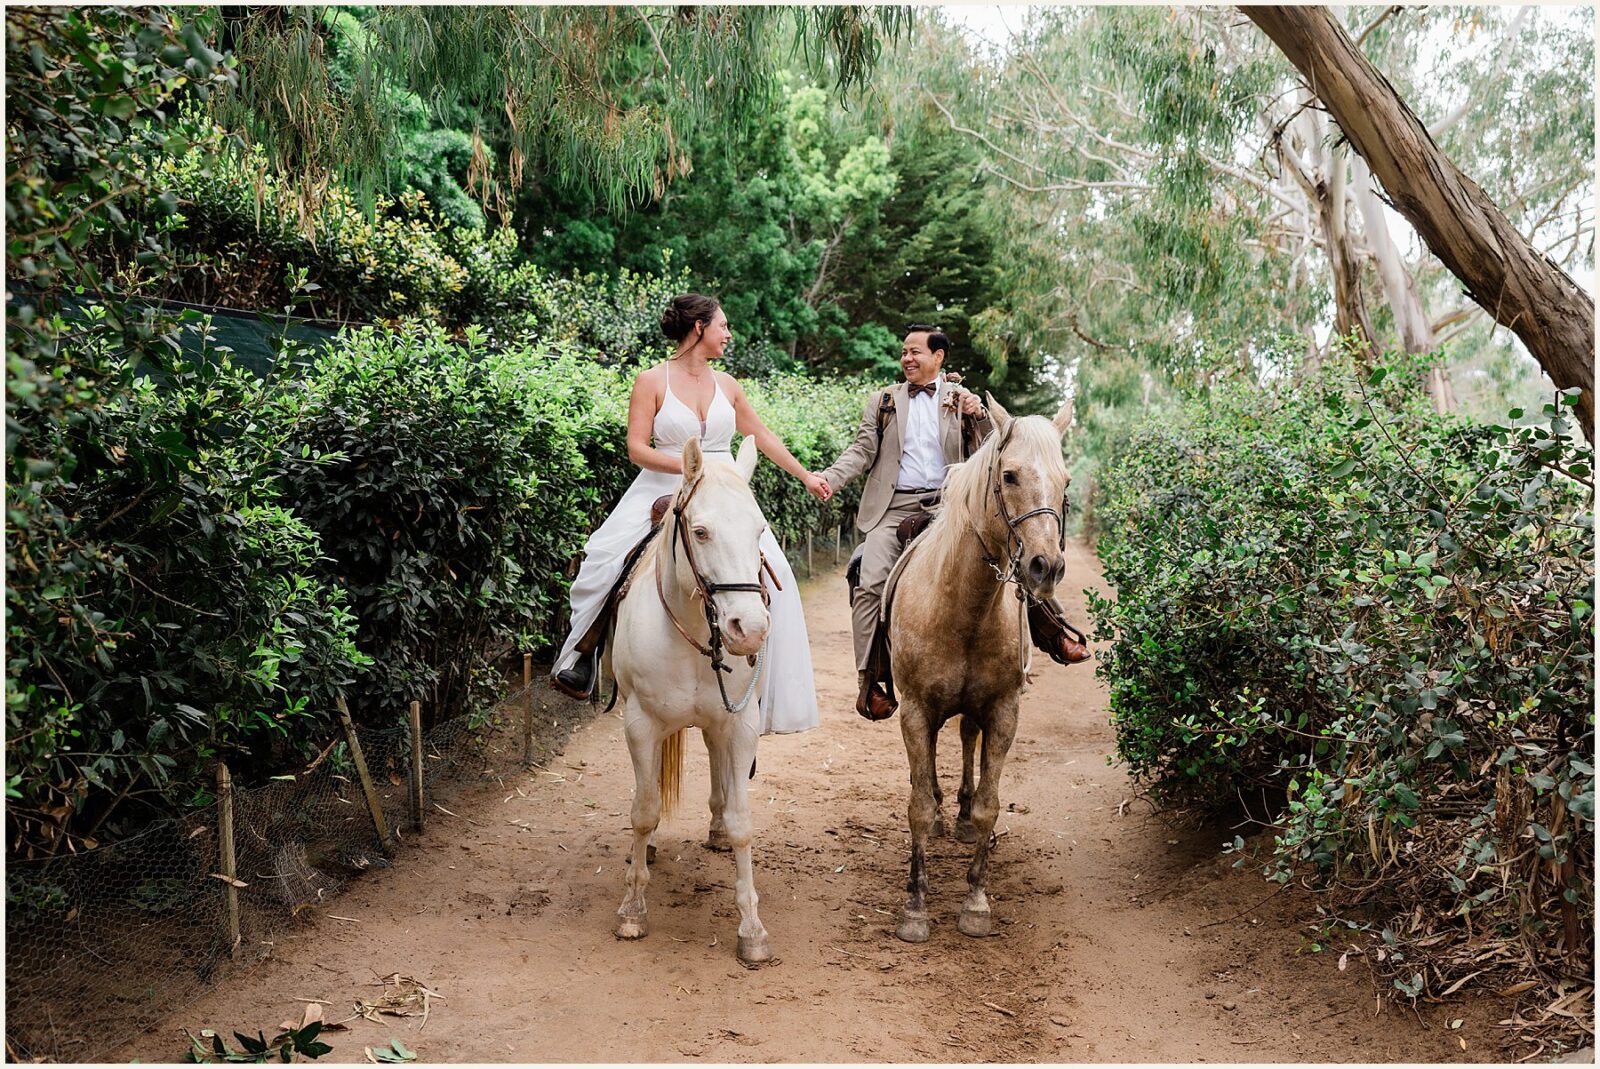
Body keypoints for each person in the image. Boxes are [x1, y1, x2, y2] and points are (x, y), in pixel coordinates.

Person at [549, 293, 825, 735]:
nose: (728, 334)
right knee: (607, 562)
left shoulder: (729, 384)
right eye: (723, 326)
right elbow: (637, 447)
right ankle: (585, 656)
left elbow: (760, 434)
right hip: (664, 484)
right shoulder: (651, 380)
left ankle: (762, 688)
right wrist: (687, 467)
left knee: (779, 578)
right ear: (699, 328)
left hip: (724, 490)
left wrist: (805, 475)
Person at [815, 325, 993, 720]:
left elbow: (990, 452)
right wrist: (829, 478)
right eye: (904, 352)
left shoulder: (961, 399)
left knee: (997, 567)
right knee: (869, 581)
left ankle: (1048, 634)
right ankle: (871, 679)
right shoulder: (884, 401)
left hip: (951, 506)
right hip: (892, 507)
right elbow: (862, 450)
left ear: (939, 357)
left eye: (916, 352)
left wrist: (978, 416)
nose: (908, 359)